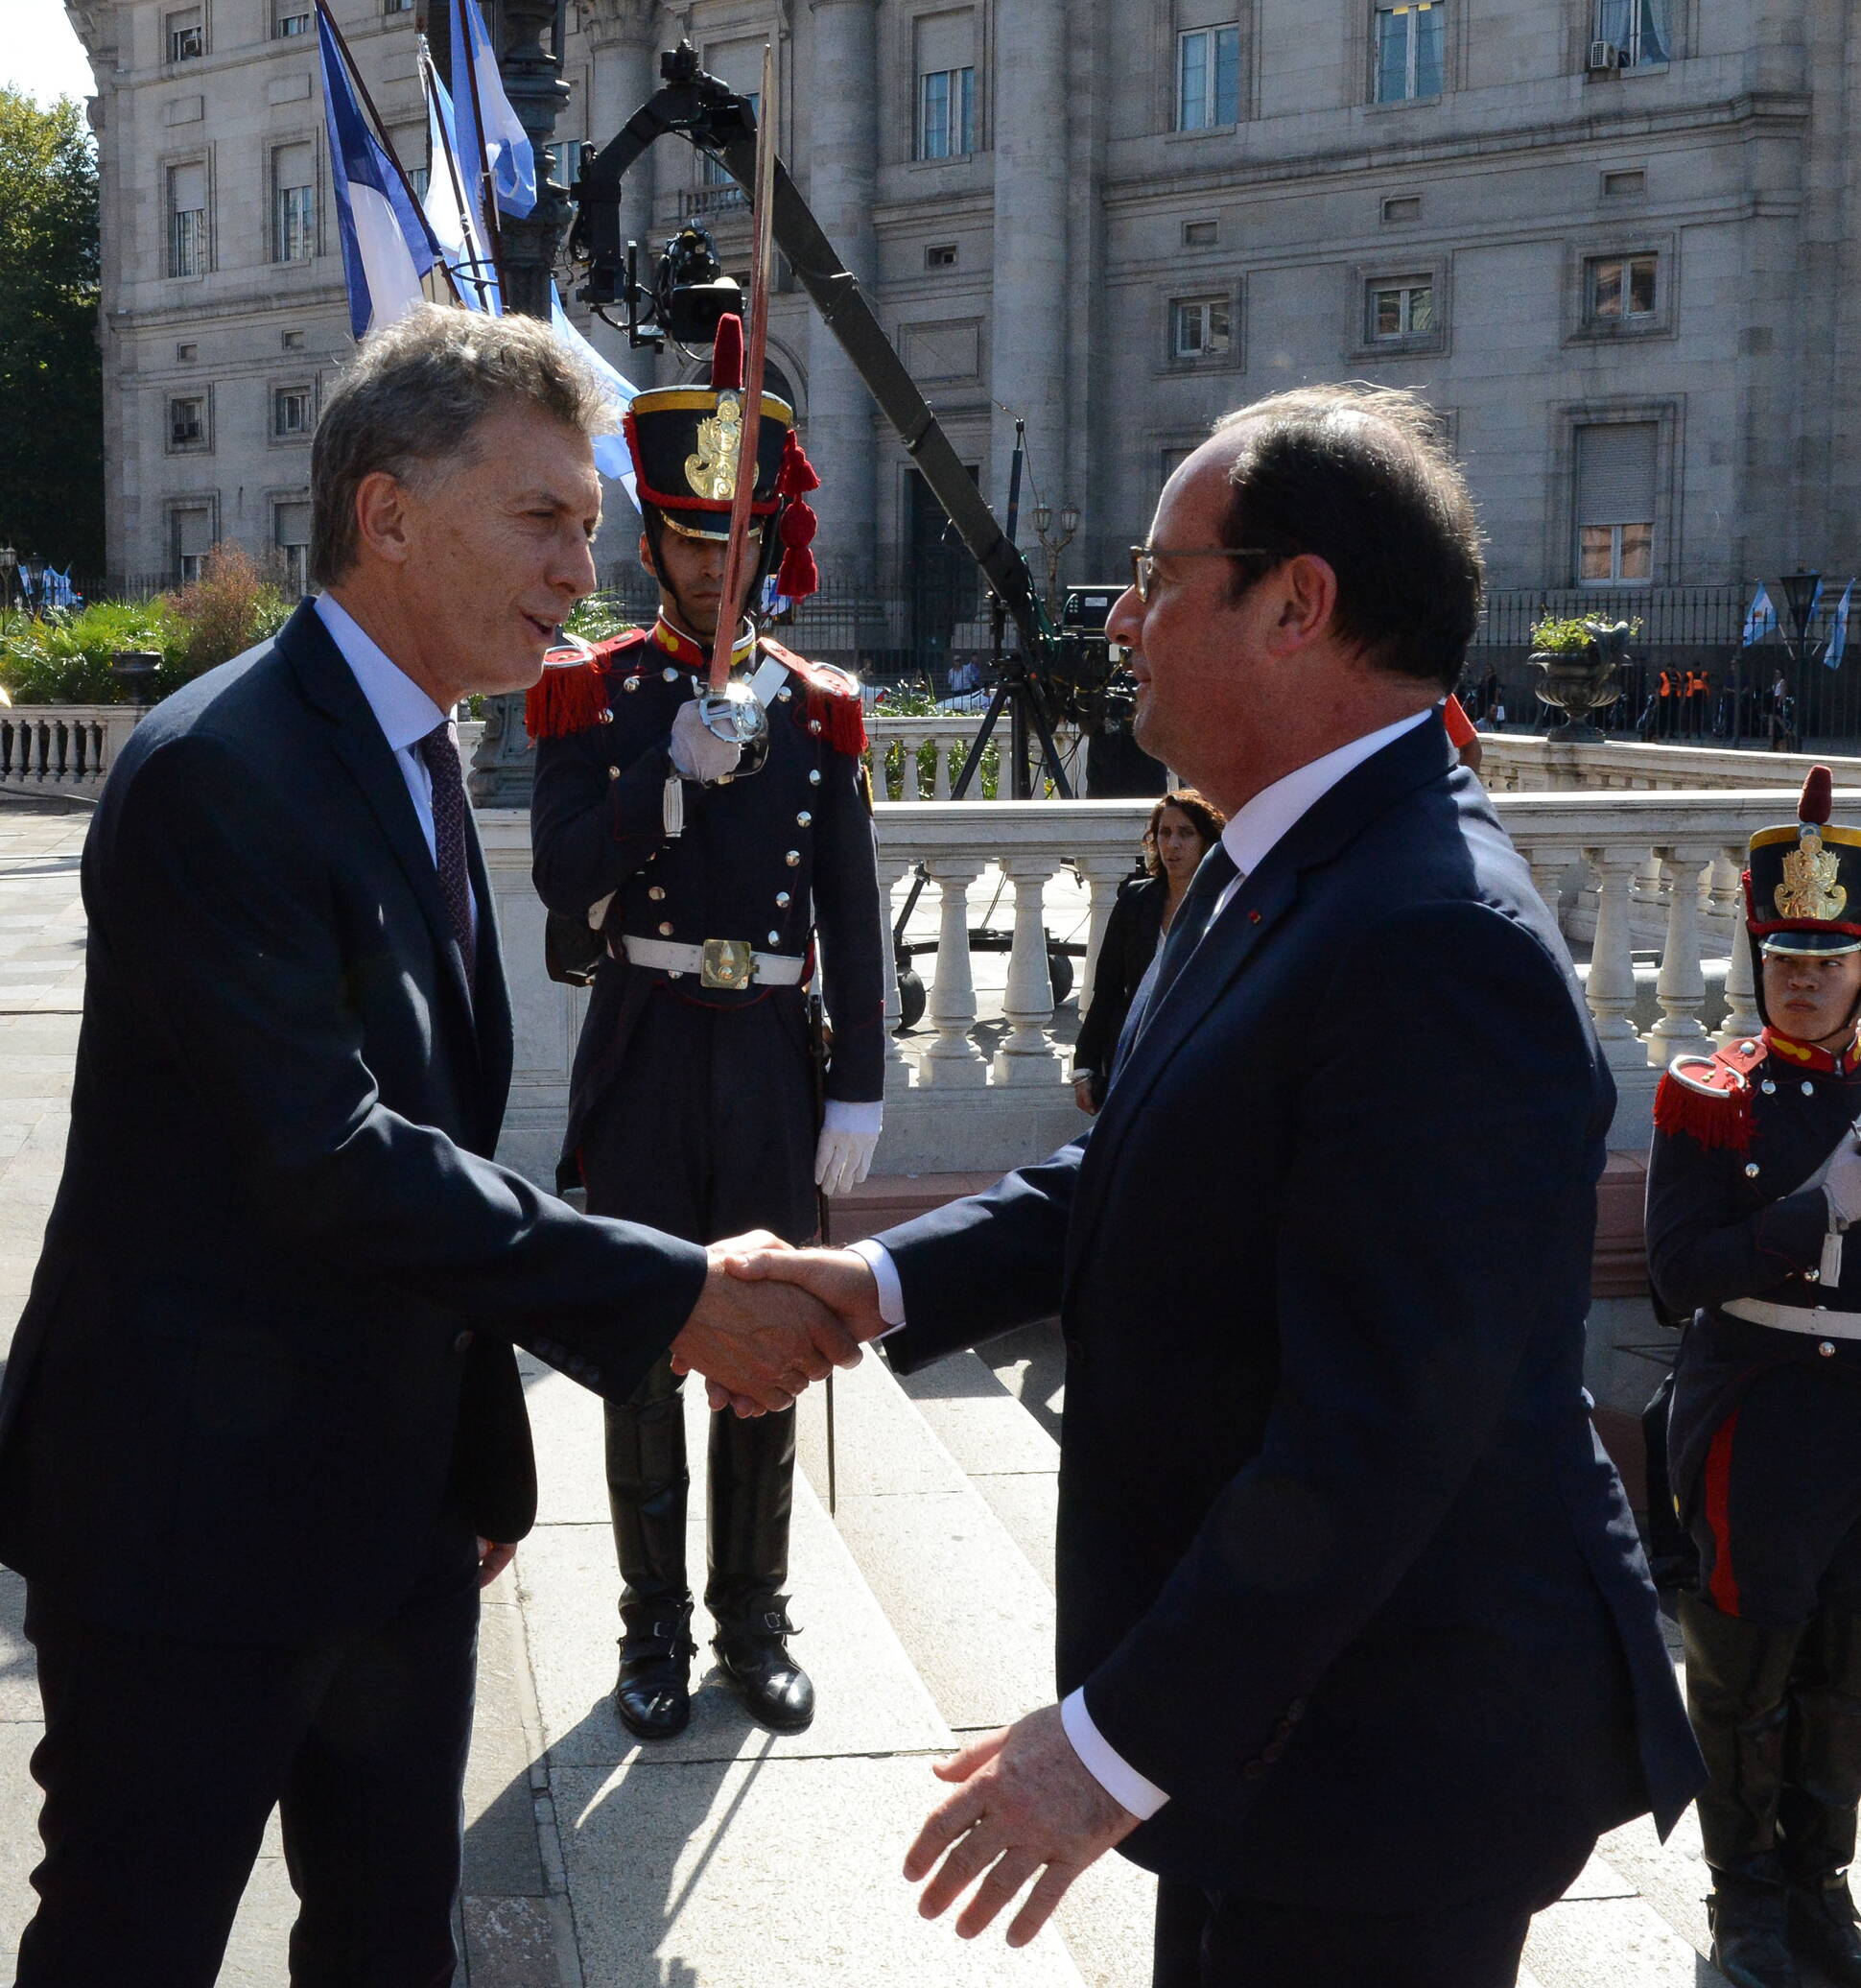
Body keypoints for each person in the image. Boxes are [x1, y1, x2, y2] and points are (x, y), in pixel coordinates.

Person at [721, 383, 1705, 1987]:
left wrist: (1107, 1746)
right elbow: (1145, 1154)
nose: (1120, 614)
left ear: (1296, 606)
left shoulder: (1437, 939)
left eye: (1162, 573)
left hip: (1388, 1765)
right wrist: (886, 1282)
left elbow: (1380, 1426)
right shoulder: (1284, 855)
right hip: (1284, 1741)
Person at [0, 305, 857, 1986]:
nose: (582, 565)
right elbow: (330, 1154)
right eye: (543, 517)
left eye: (590, 530)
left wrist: (470, 1462)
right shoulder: (217, 771)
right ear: (388, 515)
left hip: (392, 1520)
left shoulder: (419, 750)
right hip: (189, 1521)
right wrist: (676, 1289)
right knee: (133, 1938)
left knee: (398, 1938)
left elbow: (441, 1132)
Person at [529, 320, 885, 1742]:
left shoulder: (818, 711)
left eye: (733, 543)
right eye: (687, 543)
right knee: (639, 1347)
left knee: (772, 1342)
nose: (711, 569)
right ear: (656, 549)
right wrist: (669, 787)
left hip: (766, 1064)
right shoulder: (596, 691)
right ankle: (653, 1626)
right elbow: (565, 879)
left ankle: (753, 1615)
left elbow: (850, 913)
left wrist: (857, 1088)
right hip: (649, 1038)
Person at [1646, 767, 1861, 1988]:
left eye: (1826, 960)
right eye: (1784, 956)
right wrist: (1807, 1212)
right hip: (1759, 1417)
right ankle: (1747, 1899)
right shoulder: (1708, 1093)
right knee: (1744, 1674)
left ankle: (1819, 1881)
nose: (1803, 975)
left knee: (1843, 1670)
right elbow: (1680, 1275)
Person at [1072, 790, 1224, 1115]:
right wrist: (1084, 1065)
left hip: (1197, 1058)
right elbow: (1108, 989)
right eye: (1164, 833)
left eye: (1186, 833)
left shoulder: (1225, 902)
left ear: (1206, 840)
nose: (1173, 845)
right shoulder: (1135, 900)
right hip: (1133, 1056)